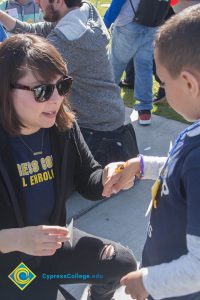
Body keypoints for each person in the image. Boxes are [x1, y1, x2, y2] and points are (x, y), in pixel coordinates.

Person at [0, 34, 137, 300]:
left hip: (52, 251)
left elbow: (90, 179)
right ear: (5, 89)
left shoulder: (62, 126)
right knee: (34, 291)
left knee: (121, 264)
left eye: (62, 86)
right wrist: (16, 240)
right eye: (42, 91)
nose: (56, 99)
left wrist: (109, 177)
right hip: (11, 265)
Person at [103, 5, 200, 299]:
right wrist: (141, 165)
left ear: (189, 83)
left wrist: (148, 281)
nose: (163, 90)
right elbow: (177, 170)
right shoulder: (195, 130)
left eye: (163, 81)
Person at [0, 0, 139, 167]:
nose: (36, 1)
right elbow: (34, 31)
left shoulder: (68, 40)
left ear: (58, 1)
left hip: (96, 132)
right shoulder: (82, 12)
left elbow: (23, 68)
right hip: (107, 119)